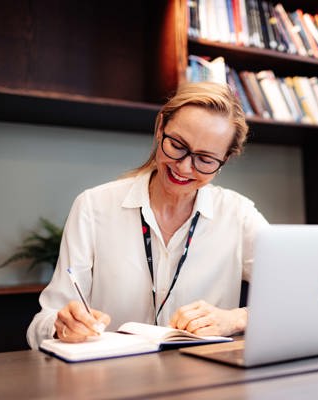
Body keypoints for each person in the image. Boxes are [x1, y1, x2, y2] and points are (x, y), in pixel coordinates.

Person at [27, 82, 269, 349]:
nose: (185, 167)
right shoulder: (93, 207)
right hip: (114, 380)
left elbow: (302, 298)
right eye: (177, 145)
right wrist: (62, 326)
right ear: (160, 128)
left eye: (205, 159)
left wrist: (235, 319)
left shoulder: (239, 215)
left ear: (224, 161)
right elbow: (41, 324)